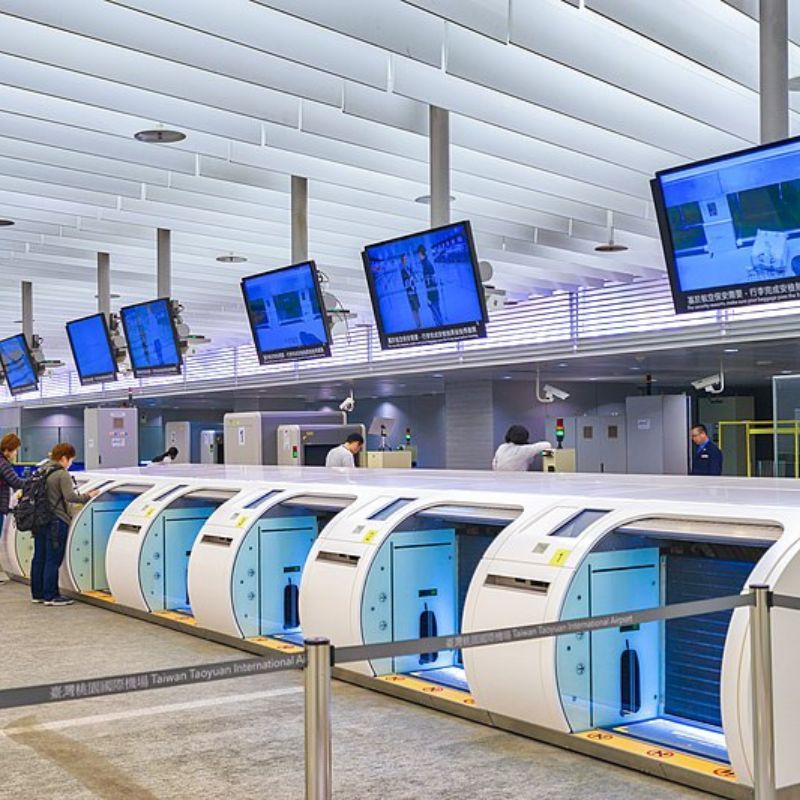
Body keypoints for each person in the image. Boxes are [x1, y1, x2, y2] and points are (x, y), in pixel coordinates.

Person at [30, 443, 98, 606]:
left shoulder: (42, 470)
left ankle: (37, 593)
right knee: (53, 559)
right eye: (70, 460)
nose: (71, 463)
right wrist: (89, 495)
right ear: (63, 458)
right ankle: (51, 595)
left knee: (39, 557)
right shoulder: (61, 474)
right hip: (56, 521)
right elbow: (70, 497)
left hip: (39, 520)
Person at [0, 433, 26, 584]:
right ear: (9, 449)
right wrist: (35, 482)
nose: (16, 453)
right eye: (15, 450)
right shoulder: (3, 463)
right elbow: (15, 482)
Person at [417, 244, 444, 327]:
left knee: (435, 310)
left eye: (418, 255)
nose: (418, 257)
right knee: (436, 309)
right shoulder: (426, 263)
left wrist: (428, 297)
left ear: (421, 254)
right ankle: (440, 324)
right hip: (433, 291)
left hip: (432, 293)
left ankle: (440, 326)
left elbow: (430, 282)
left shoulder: (426, 265)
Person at [400, 254, 422, 329]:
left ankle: (420, 323)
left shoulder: (409, 269)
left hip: (414, 291)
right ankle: (417, 324)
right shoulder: (403, 271)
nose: (406, 260)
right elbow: (405, 283)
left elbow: (414, 278)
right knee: (413, 308)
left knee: (417, 307)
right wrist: (410, 281)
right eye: (405, 259)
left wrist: (414, 279)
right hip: (410, 292)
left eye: (407, 258)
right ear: (402, 261)